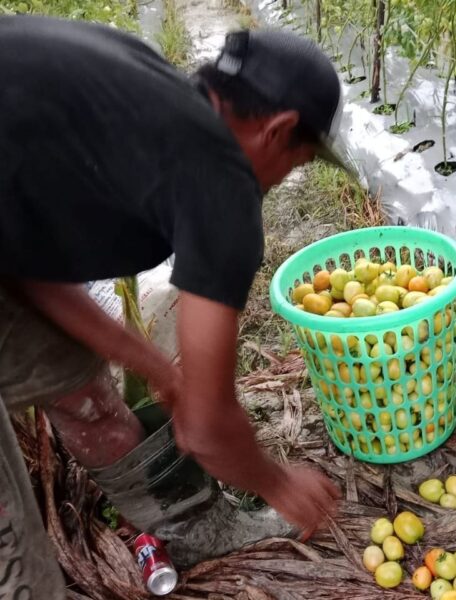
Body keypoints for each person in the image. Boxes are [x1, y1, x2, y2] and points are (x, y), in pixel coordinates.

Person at [0, 16, 347, 599]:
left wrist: (164, 374)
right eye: (301, 161)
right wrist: (280, 483)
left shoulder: (143, 86)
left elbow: (29, 264)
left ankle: (191, 528)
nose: (287, 177)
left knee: (77, 385)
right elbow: (210, 429)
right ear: (279, 129)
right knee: (17, 561)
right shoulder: (219, 181)